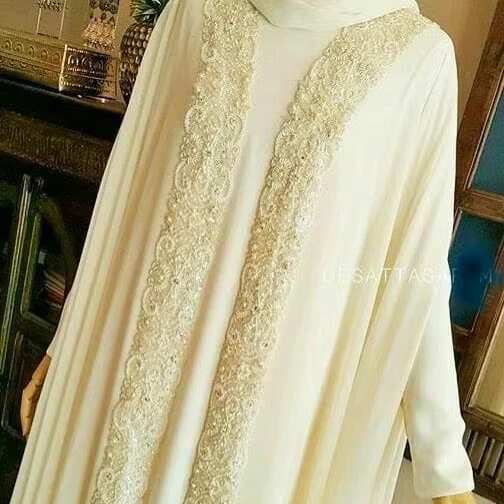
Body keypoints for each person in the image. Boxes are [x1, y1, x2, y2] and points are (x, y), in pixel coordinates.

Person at [11, 0, 477, 502]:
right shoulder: (194, 13)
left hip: (273, 414)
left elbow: (416, 275)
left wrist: (445, 466)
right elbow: (126, 197)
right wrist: (67, 342)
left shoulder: (419, 62)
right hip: (131, 384)